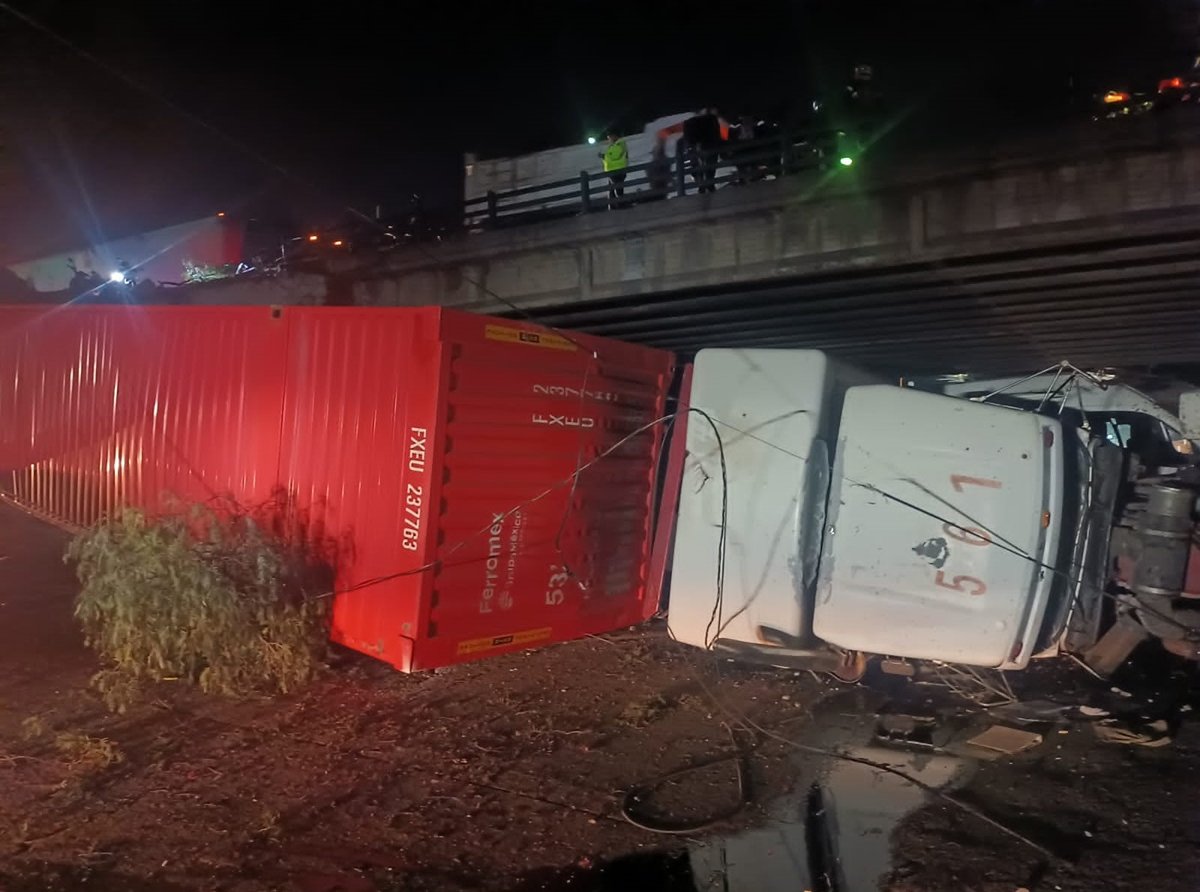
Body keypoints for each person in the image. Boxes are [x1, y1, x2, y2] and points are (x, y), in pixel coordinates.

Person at [682, 107, 722, 193]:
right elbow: (717, 135)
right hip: (708, 147)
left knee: (700, 168)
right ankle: (708, 186)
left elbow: (688, 140)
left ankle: (703, 186)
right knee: (709, 168)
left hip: (698, 148)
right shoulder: (712, 120)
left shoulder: (688, 123)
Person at [601, 129, 629, 208]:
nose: (609, 139)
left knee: (617, 189)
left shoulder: (619, 144)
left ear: (614, 136)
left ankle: (620, 204)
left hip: (617, 169)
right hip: (613, 170)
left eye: (609, 137)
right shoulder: (615, 145)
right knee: (612, 189)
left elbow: (615, 156)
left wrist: (604, 156)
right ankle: (613, 205)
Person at [645, 136, 672, 200]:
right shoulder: (664, 159)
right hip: (660, 185)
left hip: (658, 185)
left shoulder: (661, 159)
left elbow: (649, 173)